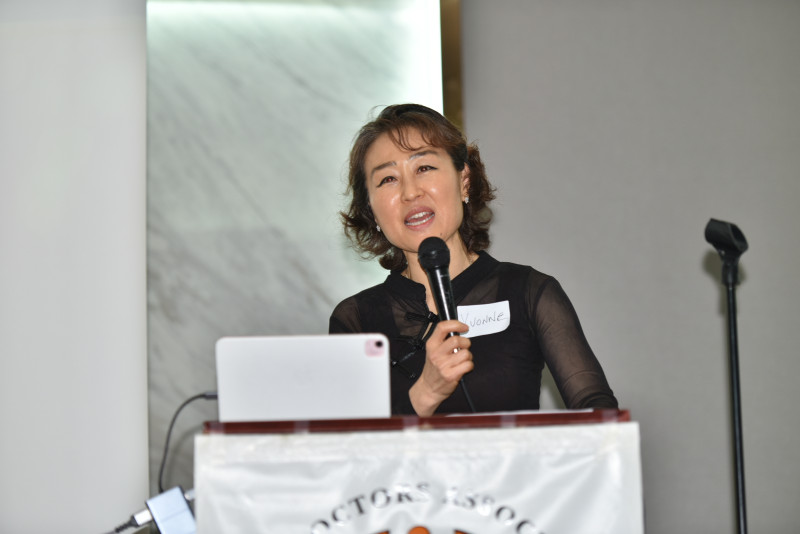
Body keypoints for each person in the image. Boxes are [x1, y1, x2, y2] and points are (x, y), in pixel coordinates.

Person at [329, 103, 617, 416]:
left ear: (464, 179)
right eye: (388, 179)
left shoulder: (529, 292)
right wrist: (426, 394)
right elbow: (347, 442)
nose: (410, 193)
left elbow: (599, 415)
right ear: (371, 210)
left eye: (424, 168)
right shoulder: (356, 320)